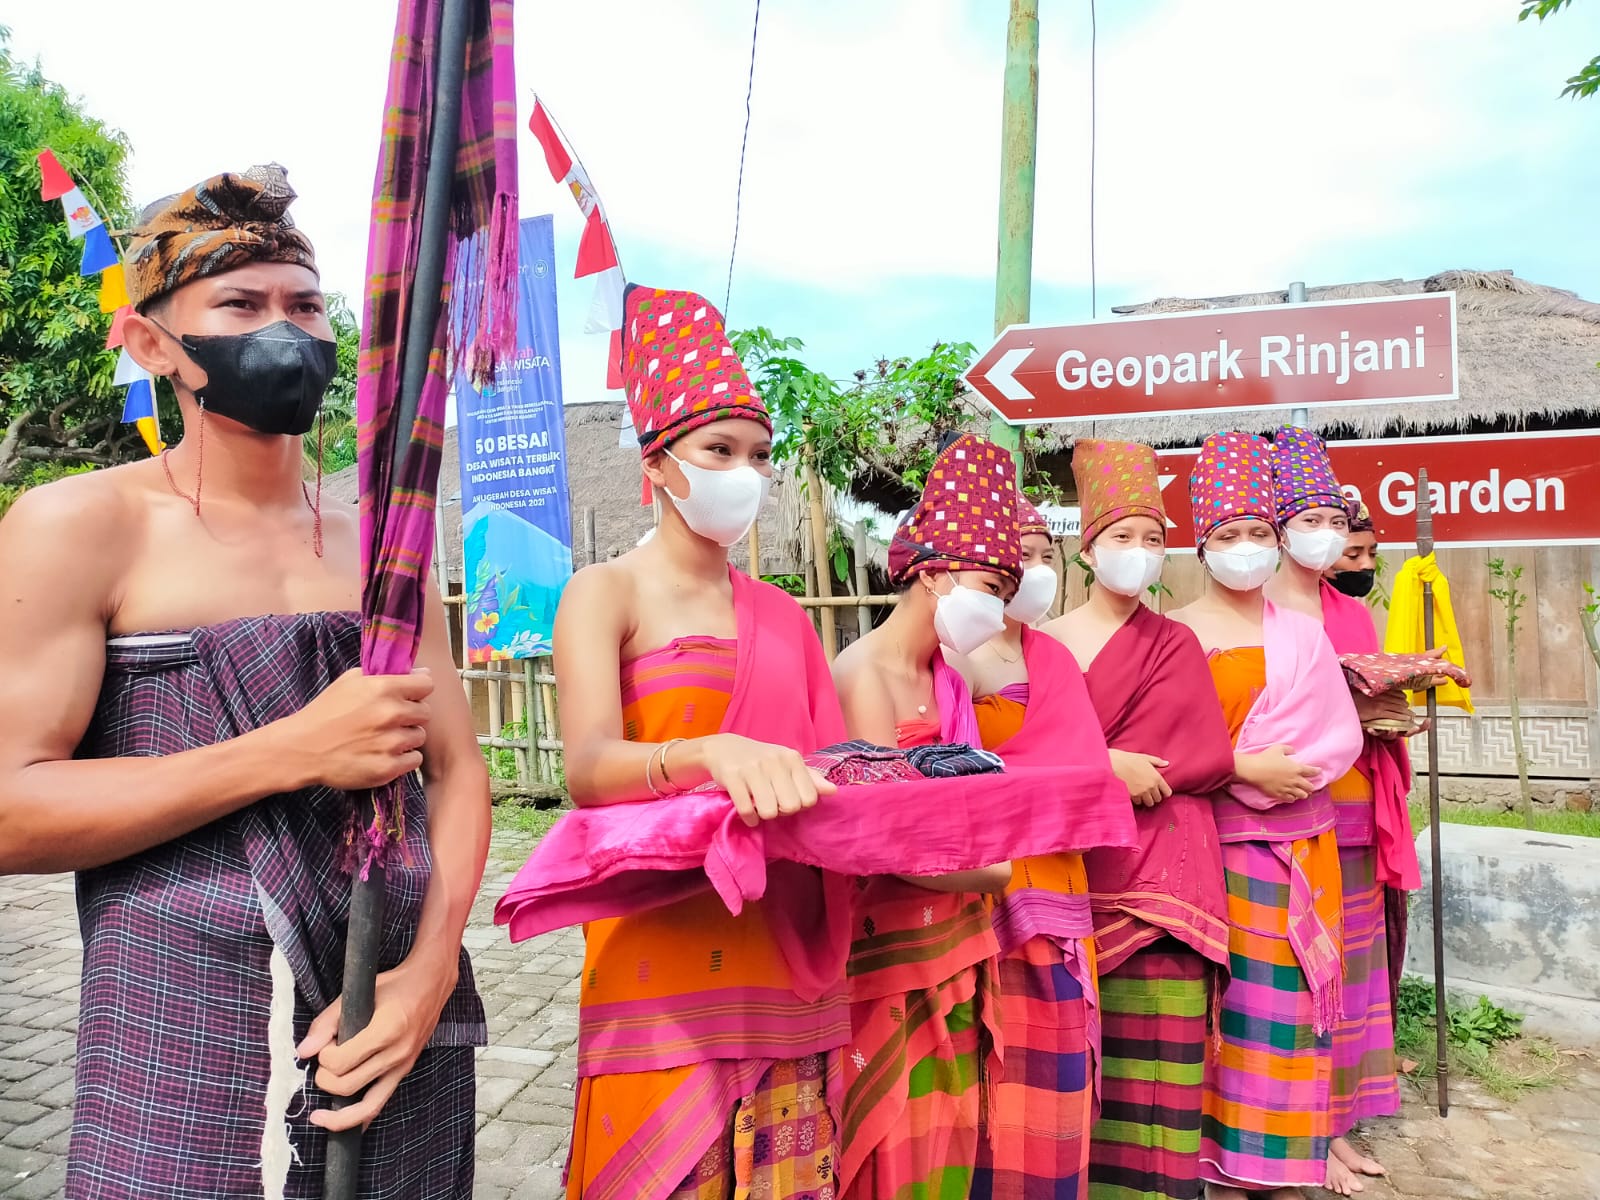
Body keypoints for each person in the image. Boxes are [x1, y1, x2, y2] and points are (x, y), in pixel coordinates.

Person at [0, 166, 489, 1198]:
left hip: (392, 1018)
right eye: (241, 303)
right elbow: (10, 808)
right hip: (181, 1019)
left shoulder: (383, 540)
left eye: (305, 305)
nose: (285, 330)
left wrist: (430, 972)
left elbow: (454, 773)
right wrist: (291, 752)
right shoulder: (80, 526)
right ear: (150, 343)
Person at [551, 285, 850, 1200]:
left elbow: (836, 774)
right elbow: (587, 770)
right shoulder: (604, 592)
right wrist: (705, 754)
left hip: (782, 953)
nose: (744, 473)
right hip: (659, 953)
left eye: (758, 455)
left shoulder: (787, 617)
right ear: (659, 463)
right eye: (720, 450)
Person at [1168, 432, 1364, 1200]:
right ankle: (1218, 1161)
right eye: (1229, 535)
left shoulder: (1304, 634)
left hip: (1301, 843)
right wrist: (1245, 770)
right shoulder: (1175, 635)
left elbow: (1336, 735)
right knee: (1227, 1009)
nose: (1246, 547)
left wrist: (1293, 775)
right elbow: (1165, 747)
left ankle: (1281, 1164)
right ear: (1202, 546)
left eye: (1257, 532)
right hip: (1212, 848)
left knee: (1292, 1008)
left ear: (1275, 540)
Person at [1041, 439, 1237, 1200]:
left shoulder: (1175, 641)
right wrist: (1103, 768)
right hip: (1078, 866)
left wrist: (1132, 772)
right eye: (1122, 535)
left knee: (1164, 1057)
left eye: (1153, 537)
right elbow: (1032, 751)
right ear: (1089, 549)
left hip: (1169, 870)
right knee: (1079, 1059)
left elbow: (1207, 753)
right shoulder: (1048, 645)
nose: (1139, 550)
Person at [829, 432, 1018, 1199]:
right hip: (888, 953)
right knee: (890, 1149)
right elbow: (878, 839)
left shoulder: (951, 681)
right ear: (934, 573)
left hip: (958, 942)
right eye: (988, 584)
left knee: (947, 1139)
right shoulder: (862, 673)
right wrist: (996, 872)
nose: (997, 609)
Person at [1265, 429, 1422, 1193]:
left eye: (1336, 520)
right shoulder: (1255, 612)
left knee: (1352, 972)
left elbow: (1370, 700)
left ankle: (1336, 1122)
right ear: (1279, 526)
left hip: (1358, 809)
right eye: (1311, 519)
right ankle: (1301, 1128)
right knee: (1299, 969)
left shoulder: (1348, 612)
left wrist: (1391, 715)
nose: (1326, 535)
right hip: (1289, 813)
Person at [961, 489, 1125, 1200]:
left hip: (1060, 880)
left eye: (1042, 556)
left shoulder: (1053, 657)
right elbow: (948, 771)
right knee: (990, 1060)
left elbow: (1083, 761)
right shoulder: (955, 659)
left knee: (1059, 1049)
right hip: (987, 885)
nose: (1031, 571)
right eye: (1017, 558)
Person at [1325, 502, 1379, 599]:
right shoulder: (1300, 606)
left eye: (1373, 554)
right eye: (1353, 555)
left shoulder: (1356, 608)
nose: (1369, 565)